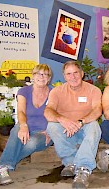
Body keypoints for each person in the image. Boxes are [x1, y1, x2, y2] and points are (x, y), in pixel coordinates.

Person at [44, 61, 102, 189]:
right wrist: (62, 120)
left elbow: (97, 110)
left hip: (85, 127)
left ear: (82, 73)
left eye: (76, 72)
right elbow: (48, 111)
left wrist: (81, 122)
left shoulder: (94, 90)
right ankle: (70, 162)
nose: (73, 77)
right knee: (52, 126)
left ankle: (83, 168)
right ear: (64, 77)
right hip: (67, 130)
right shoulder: (57, 91)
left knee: (94, 127)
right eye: (69, 74)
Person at [0, 64, 53, 185]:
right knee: (16, 131)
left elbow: (57, 113)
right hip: (26, 125)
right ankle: (3, 168)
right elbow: (21, 111)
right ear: (33, 75)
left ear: (49, 78)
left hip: (44, 133)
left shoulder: (53, 93)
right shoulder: (24, 91)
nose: (42, 77)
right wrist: (23, 126)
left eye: (46, 74)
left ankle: (1, 163)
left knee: (32, 142)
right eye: (39, 74)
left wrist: (51, 130)